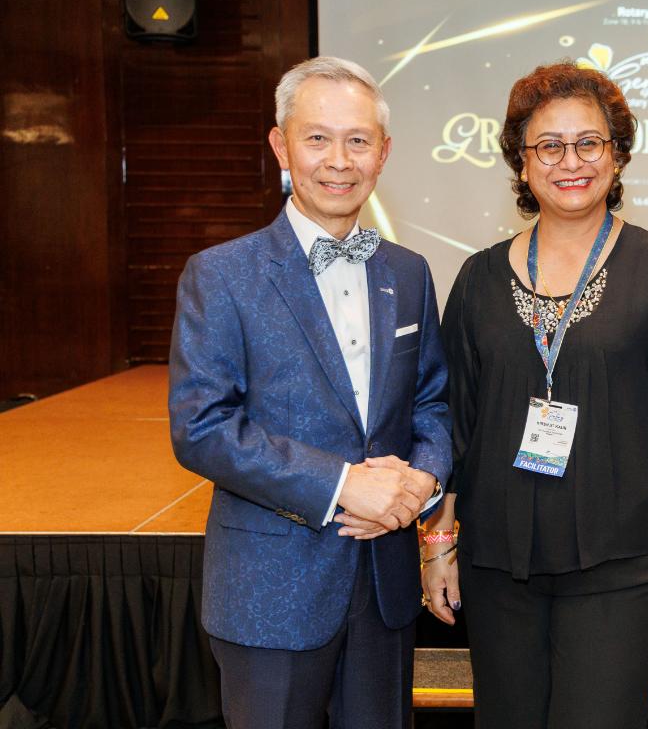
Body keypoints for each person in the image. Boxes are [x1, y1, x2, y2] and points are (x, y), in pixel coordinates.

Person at [420, 62, 648, 729]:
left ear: (617, 155)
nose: (571, 162)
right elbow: (453, 425)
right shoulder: (477, 278)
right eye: (549, 146)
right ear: (522, 162)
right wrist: (437, 543)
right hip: (498, 564)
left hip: (627, 561)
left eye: (589, 143)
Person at [167, 56, 451, 729]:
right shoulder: (221, 274)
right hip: (269, 590)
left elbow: (432, 403)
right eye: (317, 138)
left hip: (383, 585)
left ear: (383, 153)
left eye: (358, 140)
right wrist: (343, 485)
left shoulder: (409, 272)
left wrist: (421, 483)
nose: (339, 160)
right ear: (281, 146)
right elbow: (202, 428)